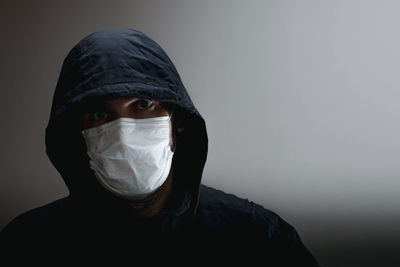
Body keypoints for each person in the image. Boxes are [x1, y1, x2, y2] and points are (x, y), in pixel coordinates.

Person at [1, 28, 319, 265]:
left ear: (176, 119)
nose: (123, 133)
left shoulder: (256, 239)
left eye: (143, 104)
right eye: (101, 114)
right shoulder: (29, 244)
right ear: (78, 133)